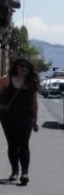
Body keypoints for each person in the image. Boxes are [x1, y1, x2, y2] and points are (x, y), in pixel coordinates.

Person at [0, 58, 40, 186]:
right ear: (16, 67)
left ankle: (25, 173)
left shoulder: (31, 82)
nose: (24, 69)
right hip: (8, 117)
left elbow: (34, 102)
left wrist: (35, 119)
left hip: (25, 118)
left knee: (23, 144)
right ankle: (14, 171)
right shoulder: (6, 79)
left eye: (27, 67)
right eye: (21, 66)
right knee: (12, 144)